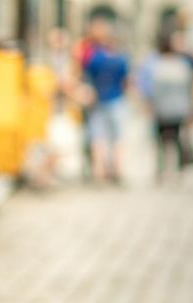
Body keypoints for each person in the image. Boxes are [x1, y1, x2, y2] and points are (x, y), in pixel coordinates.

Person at [82, 15, 130, 183]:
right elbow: (126, 81)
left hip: (98, 102)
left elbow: (86, 76)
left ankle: (99, 172)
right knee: (117, 138)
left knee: (98, 138)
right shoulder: (120, 57)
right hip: (116, 100)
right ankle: (118, 170)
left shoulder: (94, 57)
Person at [143, 31, 193, 181]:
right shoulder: (182, 65)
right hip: (179, 108)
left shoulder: (155, 64)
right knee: (177, 139)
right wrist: (191, 108)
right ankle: (178, 171)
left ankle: (161, 170)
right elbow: (188, 88)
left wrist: (149, 105)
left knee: (160, 141)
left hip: (161, 109)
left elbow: (151, 89)